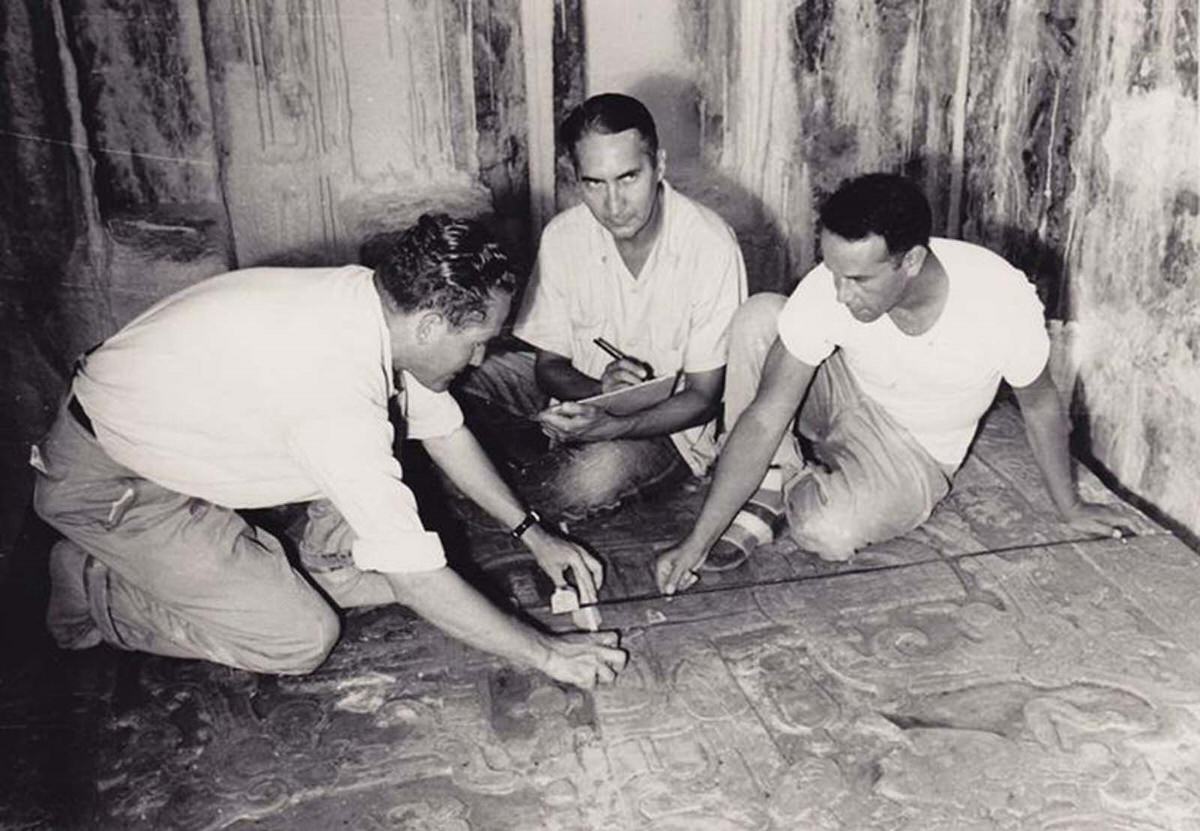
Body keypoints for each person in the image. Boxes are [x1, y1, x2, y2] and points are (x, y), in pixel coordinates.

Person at [31, 213, 627, 689]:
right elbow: (418, 579)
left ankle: (324, 562)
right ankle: (90, 582)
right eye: (476, 343)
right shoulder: (335, 392)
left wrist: (532, 531)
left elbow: (444, 430)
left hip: (182, 446)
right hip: (118, 486)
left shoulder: (371, 305)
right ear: (428, 326)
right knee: (300, 637)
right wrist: (546, 653)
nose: (479, 360)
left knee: (390, 462)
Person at [656, 173, 1128, 593]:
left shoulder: (998, 299)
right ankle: (770, 479)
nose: (841, 293)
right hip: (844, 390)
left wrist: (1071, 508)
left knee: (828, 532)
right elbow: (763, 417)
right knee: (762, 316)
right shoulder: (835, 284)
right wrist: (698, 541)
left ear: (913, 260)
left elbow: (1041, 404)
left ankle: (786, 479)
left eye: (859, 279)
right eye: (834, 271)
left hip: (914, 448)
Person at [456, 93, 747, 521]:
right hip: (578, 402)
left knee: (585, 480)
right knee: (455, 375)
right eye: (594, 183)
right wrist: (599, 392)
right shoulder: (563, 235)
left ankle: (478, 483)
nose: (613, 204)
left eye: (628, 177)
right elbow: (548, 365)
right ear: (576, 178)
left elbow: (703, 398)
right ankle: (497, 475)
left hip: (666, 432)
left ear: (659, 166)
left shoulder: (710, 244)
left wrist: (614, 424)